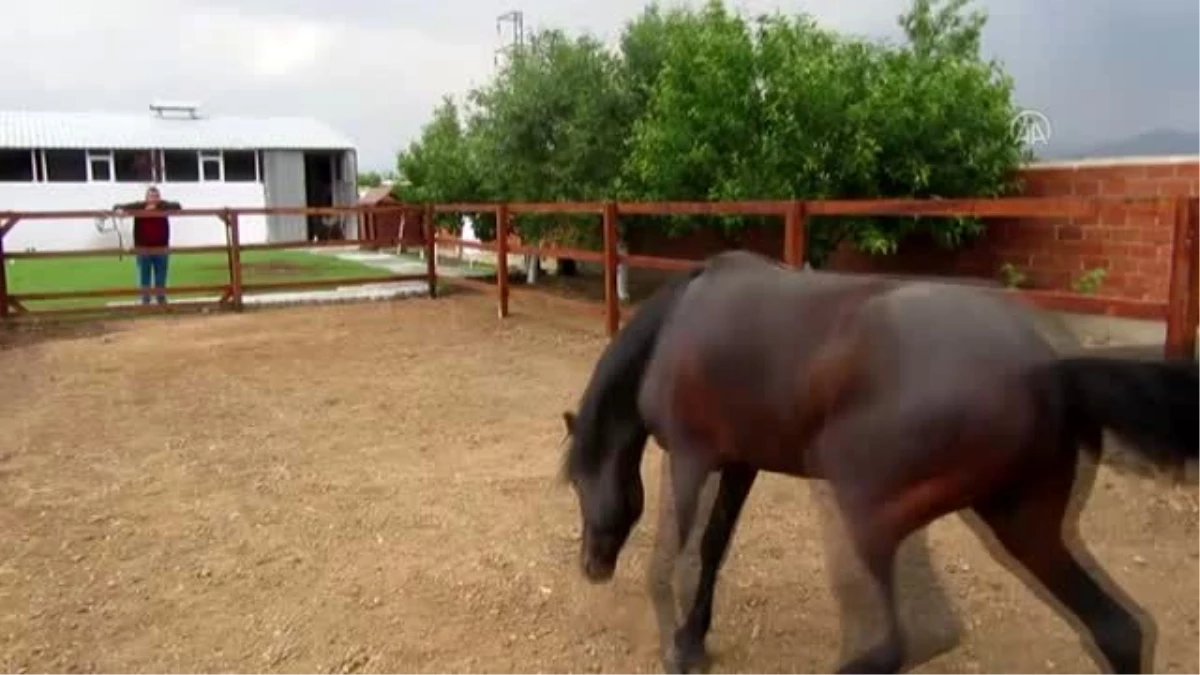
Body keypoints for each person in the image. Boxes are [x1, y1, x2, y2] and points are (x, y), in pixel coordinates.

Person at [113, 186, 181, 305]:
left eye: (156, 196)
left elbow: (177, 206)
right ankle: (145, 300)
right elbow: (118, 206)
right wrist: (119, 210)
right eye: (151, 196)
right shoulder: (139, 206)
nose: (153, 199)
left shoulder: (163, 206)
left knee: (161, 274)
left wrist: (157, 207)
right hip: (143, 248)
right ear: (146, 197)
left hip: (161, 247)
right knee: (144, 274)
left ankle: (161, 298)